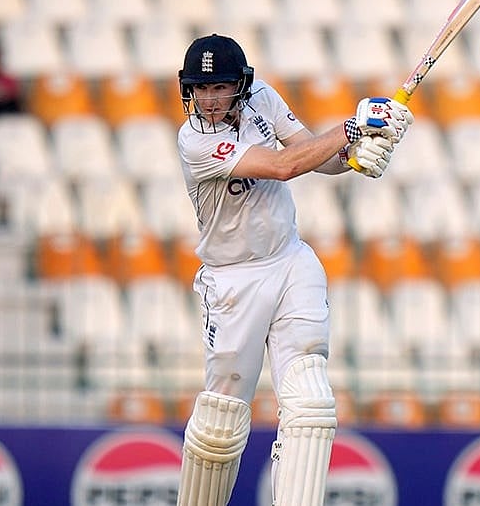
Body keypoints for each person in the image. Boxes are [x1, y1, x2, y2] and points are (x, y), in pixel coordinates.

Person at [173, 34, 412, 505]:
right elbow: (283, 167)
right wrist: (351, 128)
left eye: (220, 87)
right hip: (231, 280)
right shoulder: (194, 142)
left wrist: (356, 153)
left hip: (289, 261)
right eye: (200, 89)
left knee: (311, 406)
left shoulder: (263, 98)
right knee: (221, 423)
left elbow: (311, 154)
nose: (209, 99)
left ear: (241, 85)